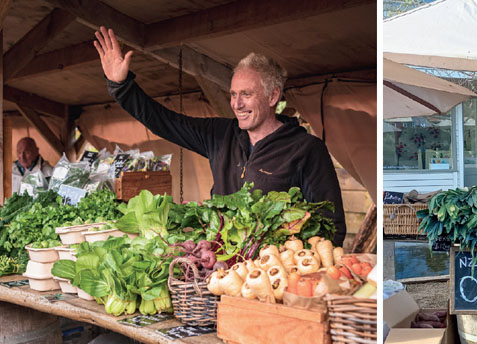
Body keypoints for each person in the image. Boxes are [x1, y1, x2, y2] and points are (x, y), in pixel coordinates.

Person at [93, 27, 346, 245]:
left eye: (246, 94)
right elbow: (164, 121)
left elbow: (331, 225)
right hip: (221, 267)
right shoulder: (220, 135)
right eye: (233, 94)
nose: (236, 104)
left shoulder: (306, 149)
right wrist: (122, 87)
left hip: (273, 276)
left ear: (272, 97)